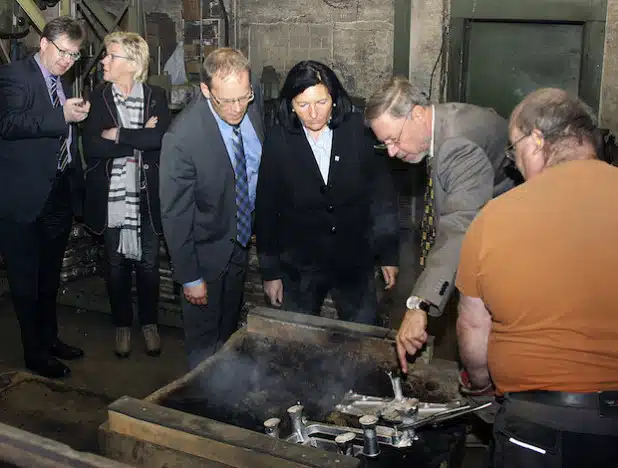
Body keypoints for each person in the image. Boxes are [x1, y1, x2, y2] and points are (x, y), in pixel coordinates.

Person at [456, 88, 618, 467]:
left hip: (536, 426)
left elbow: (474, 331)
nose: (515, 165)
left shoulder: (494, 217)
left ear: (538, 139)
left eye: (515, 150)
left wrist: (480, 386)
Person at [365, 76, 512, 371]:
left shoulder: (457, 145)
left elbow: (458, 226)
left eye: (394, 139)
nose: (392, 152)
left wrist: (419, 303)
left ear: (417, 114)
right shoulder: (440, 122)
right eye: (385, 144)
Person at [254, 60, 399, 325]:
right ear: (290, 105)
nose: (313, 114)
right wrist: (270, 273)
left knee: (361, 335)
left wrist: (388, 254)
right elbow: (266, 207)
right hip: (299, 265)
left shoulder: (358, 130)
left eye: (321, 103)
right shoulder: (279, 139)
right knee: (296, 340)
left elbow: (381, 195)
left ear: (334, 97)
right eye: (303, 105)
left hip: (354, 260)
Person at [160, 48, 263, 369]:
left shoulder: (252, 105)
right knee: (204, 347)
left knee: (229, 335)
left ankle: (226, 394)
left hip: (238, 246)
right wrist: (190, 277)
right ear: (206, 90)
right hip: (204, 257)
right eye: (227, 101)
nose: (237, 108)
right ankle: (201, 406)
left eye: (243, 97)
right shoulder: (182, 138)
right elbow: (175, 215)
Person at [0, 17, 89, 378]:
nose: (68, 60)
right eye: (64, 52)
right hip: (21, 198)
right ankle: (34, 354)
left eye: (75, 54)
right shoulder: (14, 76)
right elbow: (8, 123)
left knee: (50, 276)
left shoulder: (61, 81)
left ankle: (50, 339)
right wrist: (61, 116)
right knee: (25, 281)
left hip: (56, 193)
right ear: (44, 43)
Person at [82, 32, 171, 358]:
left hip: (147, 197)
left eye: (111, 56)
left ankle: (149, 324)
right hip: (113, 200)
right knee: (116, 265)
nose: (103, 61)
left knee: (148, 265)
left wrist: (118, 134)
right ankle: (122, 324)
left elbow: (160, 139)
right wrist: (139, 135)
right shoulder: (98, 97)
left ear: (133, 64)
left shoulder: (156, 96)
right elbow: (92, 147)